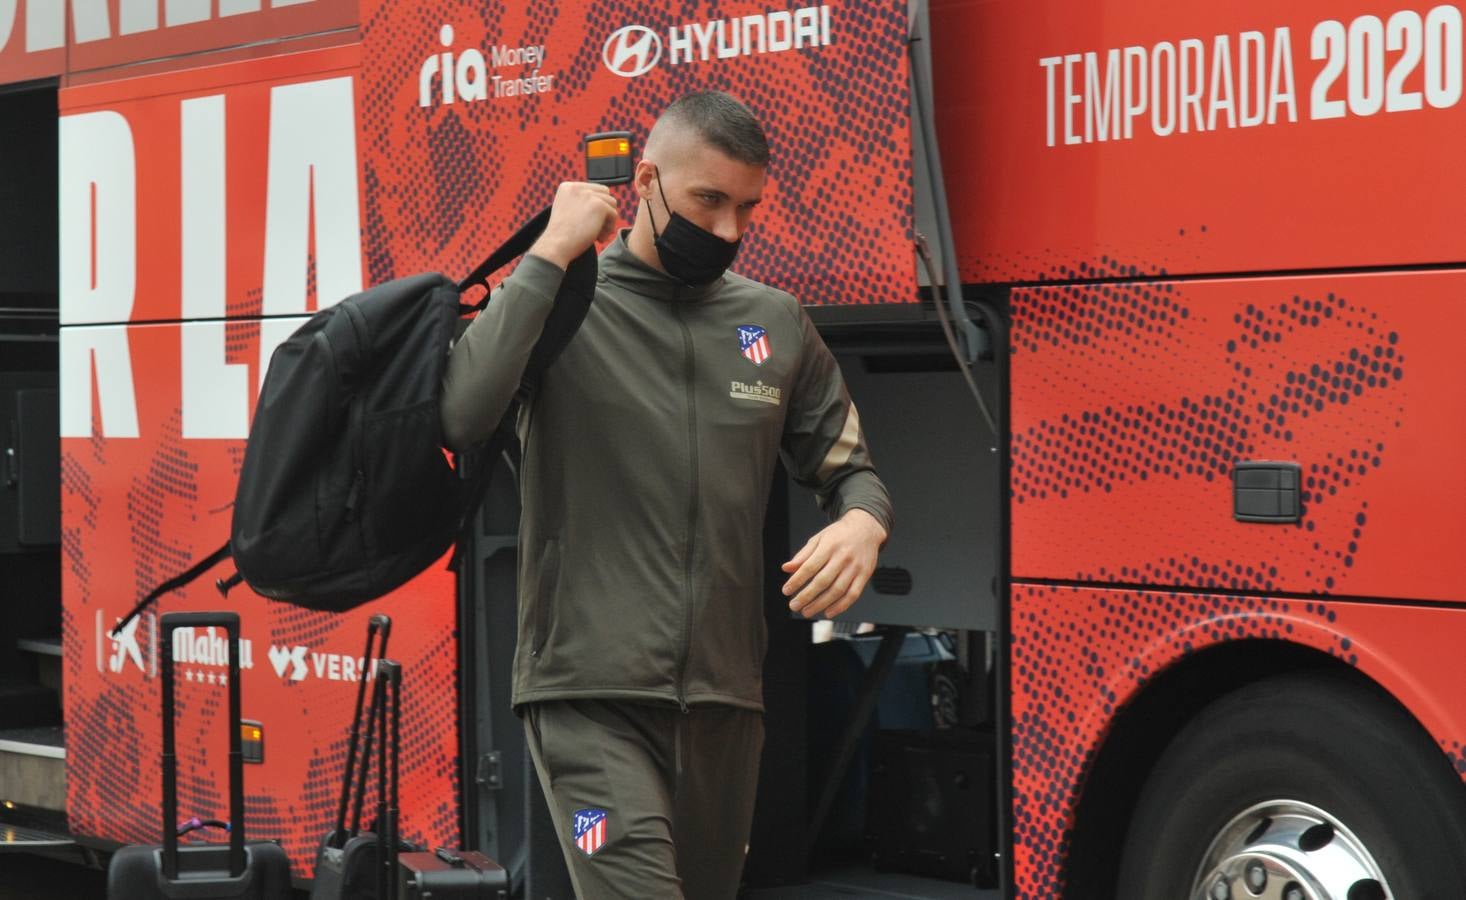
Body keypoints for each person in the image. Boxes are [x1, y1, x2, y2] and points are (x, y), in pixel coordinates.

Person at [439, 90, 892, 899]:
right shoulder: (563, 303)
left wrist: (862, 521)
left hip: (727, 704)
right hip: (586, 699)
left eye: (746, 208)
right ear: (644, 180)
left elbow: (849, 466)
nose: (727, 230)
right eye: (707, 201)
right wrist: (548, 254)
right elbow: (463, 412)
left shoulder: (775, 322)